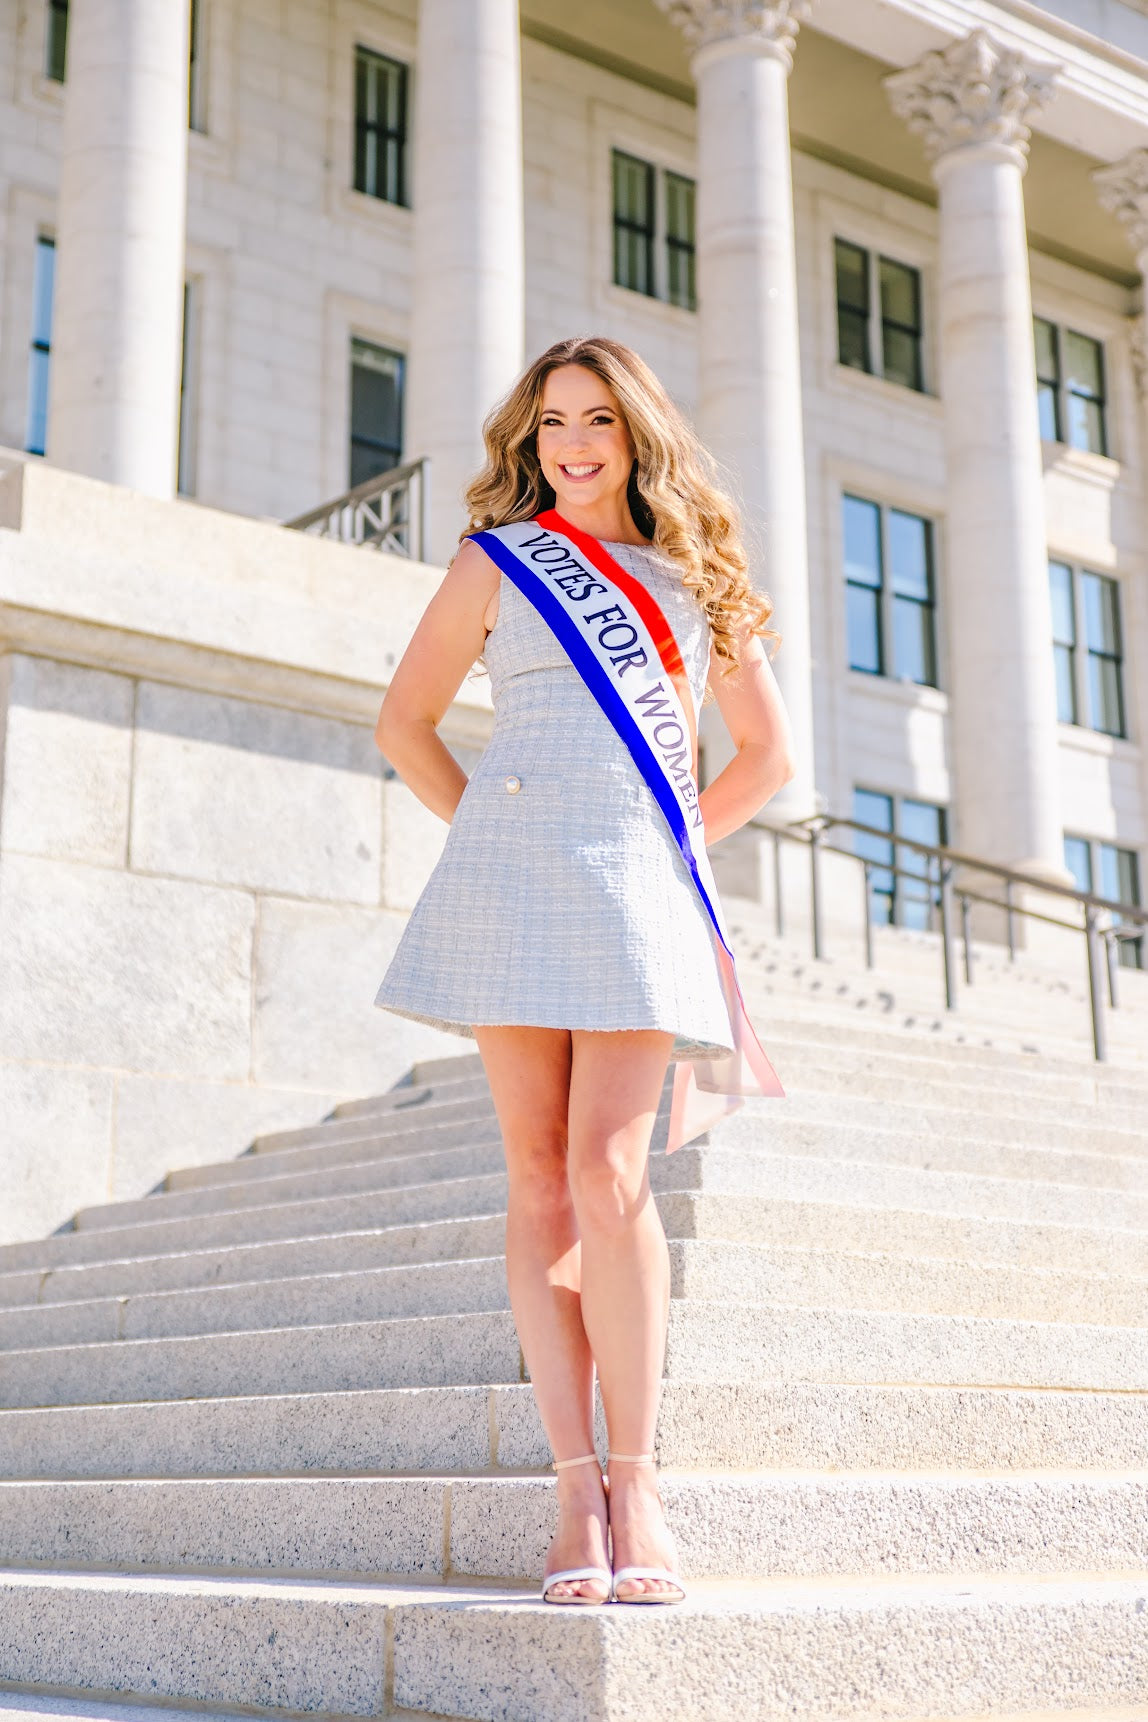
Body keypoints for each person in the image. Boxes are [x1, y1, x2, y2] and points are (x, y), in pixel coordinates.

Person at [373, 335, 795, 1606]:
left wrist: (675, 844)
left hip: (632, 894)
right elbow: (405, 720)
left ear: (635, 434)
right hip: (513, 885)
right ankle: (574, 1493)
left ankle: (639, 1482)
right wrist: (496, 829)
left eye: (596, 420)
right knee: (538, 1176)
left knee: (613, 1173)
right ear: (528, 438)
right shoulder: (495, 561)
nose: (570, 443)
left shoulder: (690, 577)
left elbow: (767, 756)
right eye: (551, 422)